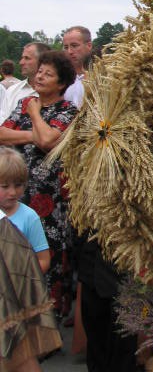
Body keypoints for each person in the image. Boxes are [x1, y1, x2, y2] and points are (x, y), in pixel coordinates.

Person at [0, 50, 77, 316]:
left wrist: (34, 114)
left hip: (48, 199)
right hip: (16, 194)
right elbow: (2, 134)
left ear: (62, 83)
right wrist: (35, 134)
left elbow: (48, 142)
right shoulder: (24, 103)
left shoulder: (68, 111)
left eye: (48, 74)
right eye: (40, 71)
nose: (40, 76)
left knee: (47, 255)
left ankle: (46, 319)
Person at [0, 147, 62, 371]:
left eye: (18, 185)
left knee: (22, 354)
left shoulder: (29, 217)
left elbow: (43, 259)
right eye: (4, 186)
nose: (12, 192)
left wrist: (23, 278)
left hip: (20, 302)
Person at [0, 43, 50, 125]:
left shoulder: (55, 93)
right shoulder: (12, 90)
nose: (21, 62)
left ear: (43, 61)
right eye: (22, 58)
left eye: (27, 58)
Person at [63, 26, 92, 108]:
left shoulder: (102, 79)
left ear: (89, 46)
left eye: (74, 46)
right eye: (66, 47)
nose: (69, 51)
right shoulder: (59, 79)